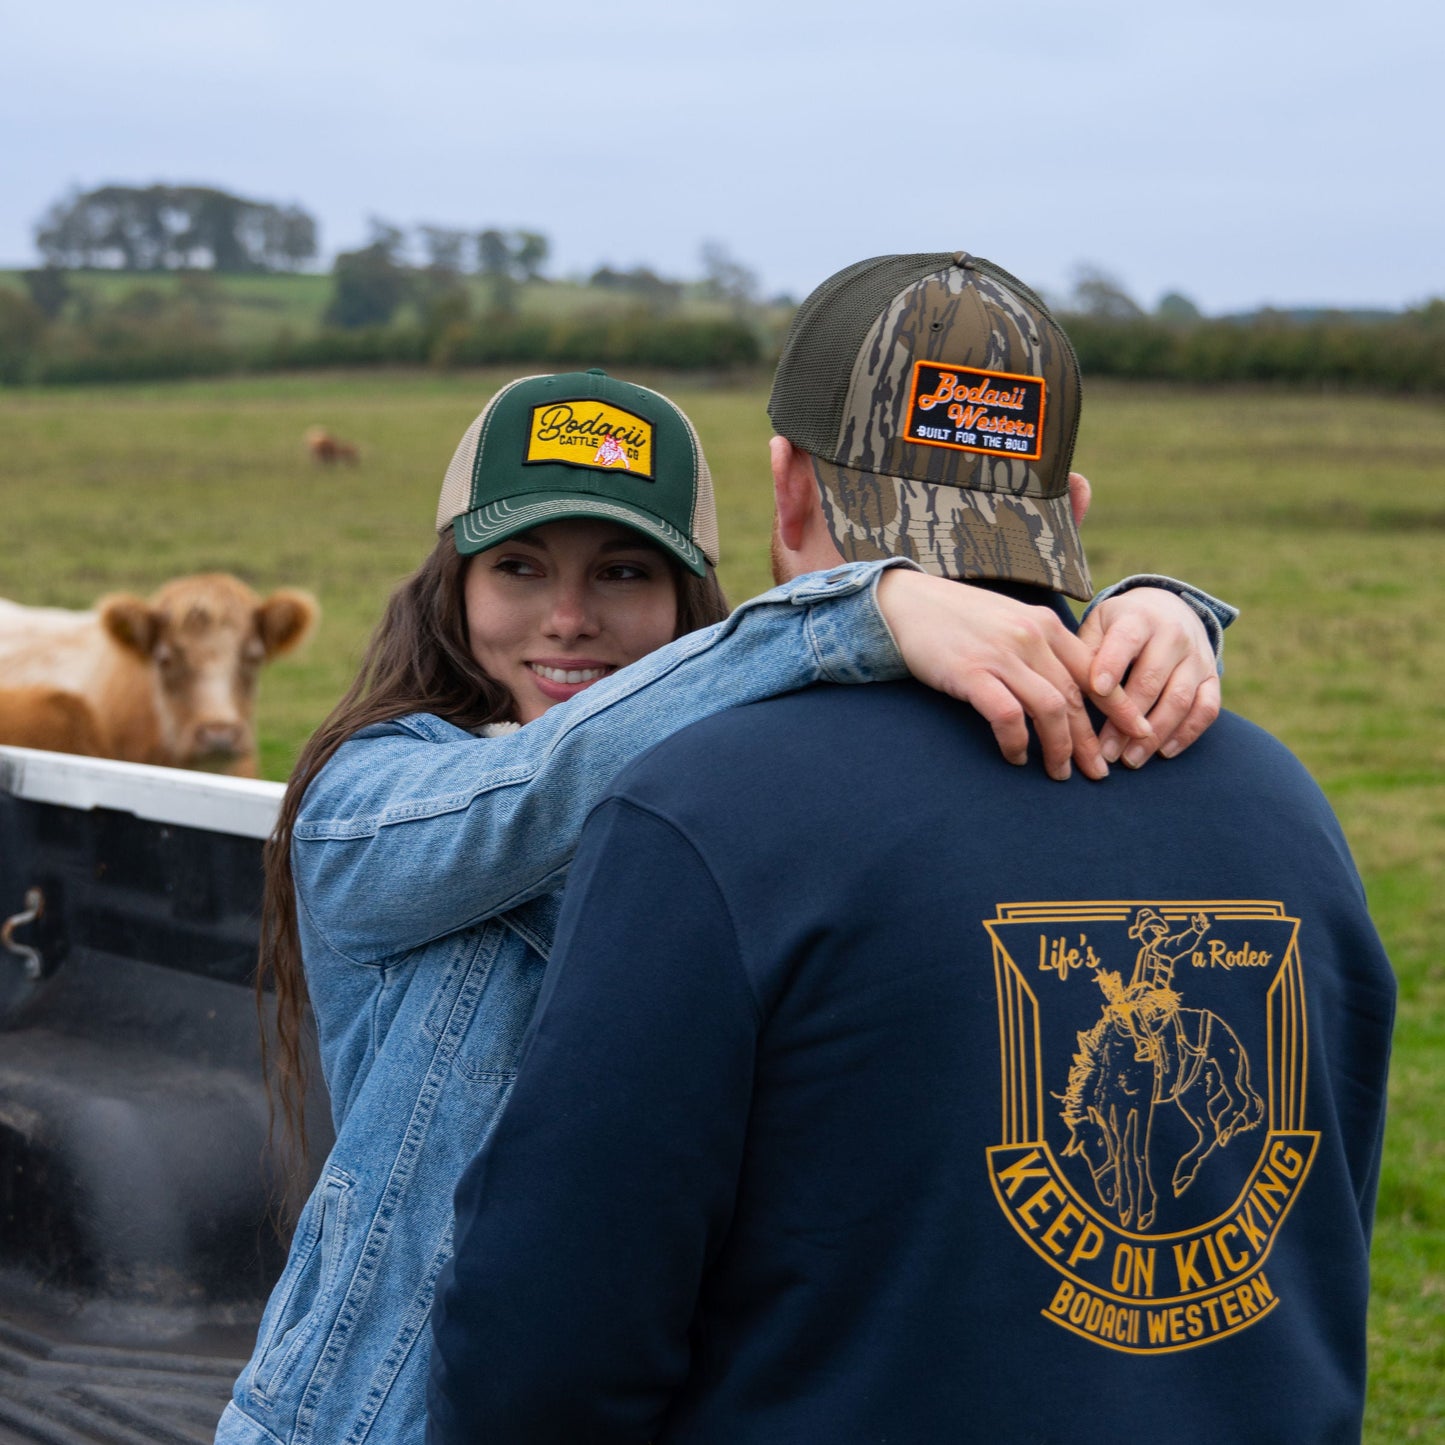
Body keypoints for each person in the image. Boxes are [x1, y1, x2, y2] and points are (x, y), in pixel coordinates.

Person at [429, 259, 1395, 1444]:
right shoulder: (1279, 803)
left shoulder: (705, 807)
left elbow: (546, 1337)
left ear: (788, 493)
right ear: (1071, 512)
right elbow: (1321, 1234)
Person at [215, 365, 1228, 1445]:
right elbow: (536, 792)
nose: (566, 617)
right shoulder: (367, 800)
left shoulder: (738, 789)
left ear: (686, 599)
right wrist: (852, 613)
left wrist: (1150, 630)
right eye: (516, 566)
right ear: (450, 586)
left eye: (620, 570)